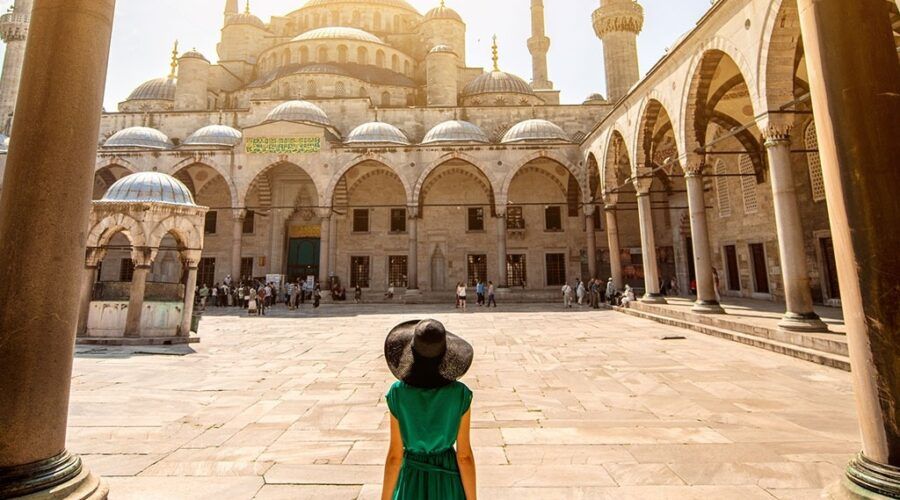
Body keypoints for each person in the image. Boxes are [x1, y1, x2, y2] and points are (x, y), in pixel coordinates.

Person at [382, 319, 476, 500]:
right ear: (445, 354)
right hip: (447, 482)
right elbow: (464, 456)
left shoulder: (398, 393)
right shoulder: (460, 394)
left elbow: (395, 456)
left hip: (411, 480)